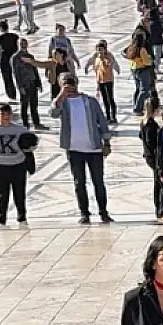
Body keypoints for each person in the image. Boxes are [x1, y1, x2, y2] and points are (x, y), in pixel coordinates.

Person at [51, 72, 114, 224]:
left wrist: (106, 142)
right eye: (65, 82)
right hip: (74, 149)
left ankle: (103, 211)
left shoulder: (89, 101)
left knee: (98, 181)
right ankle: (84, 212)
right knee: (79, 182)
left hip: (94, 148)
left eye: (71, 81)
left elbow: (101, 120)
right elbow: (52, 113)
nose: (69, 85)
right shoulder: (62, 102)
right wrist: (61, 94)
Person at [0, 102, 33, 225]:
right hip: (1, 166)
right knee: (2, 194)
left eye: (8, 113)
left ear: (11, 114)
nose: (5, 116)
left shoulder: (19, 129)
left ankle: (22, 217)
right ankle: (1, 218)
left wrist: (28, 147)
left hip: (18, 165)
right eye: (2, 114)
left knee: (19, 193)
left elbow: (32, 141)